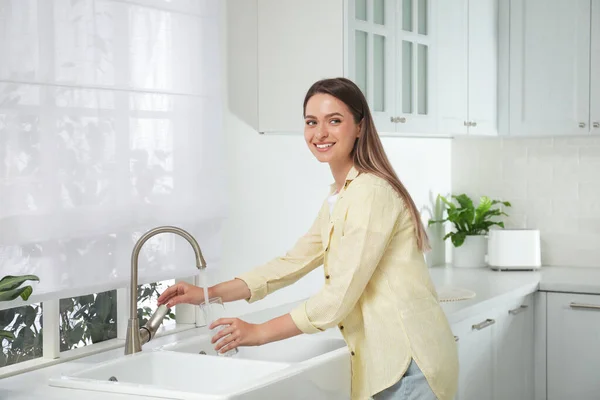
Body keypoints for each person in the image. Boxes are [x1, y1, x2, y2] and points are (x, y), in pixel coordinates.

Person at [157, 77, 459, 400]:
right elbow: (290, 264)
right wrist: (208, 293)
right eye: (311, 122)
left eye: (334, 121)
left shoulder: (370, 193)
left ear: (359, 127)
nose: (320, 133)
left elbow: (336, 299)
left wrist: (257, 333)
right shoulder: (342, 196)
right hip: (389, 365)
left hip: (409, 366)